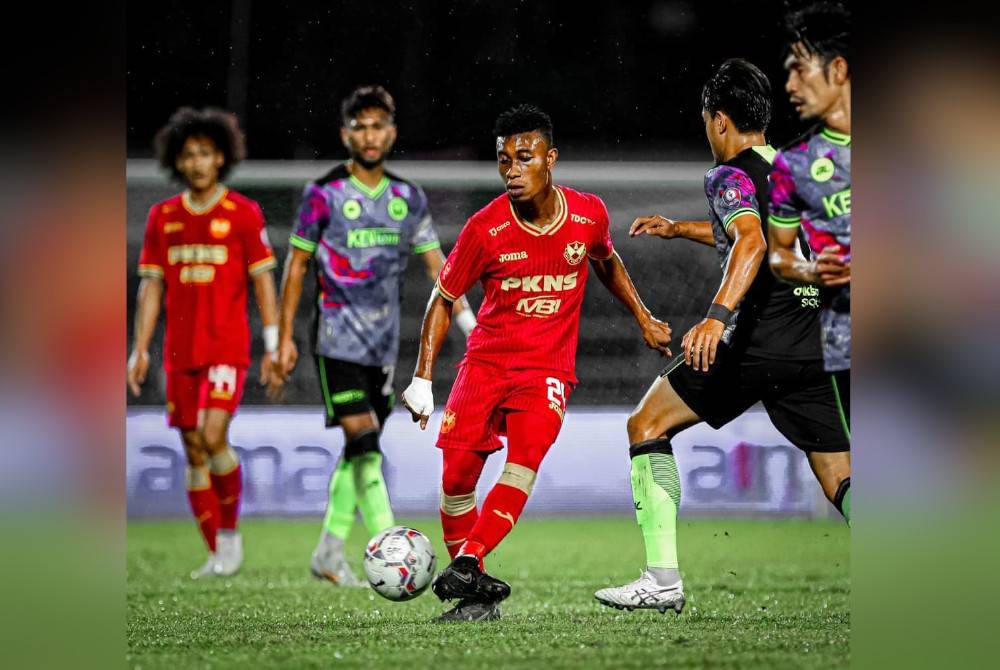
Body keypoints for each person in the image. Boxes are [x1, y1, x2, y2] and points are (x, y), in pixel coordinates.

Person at [593, 58, 851, 615]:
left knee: (646, 423)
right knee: (839, 477)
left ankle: (662, 579)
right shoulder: (789, 166)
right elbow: (767, 234)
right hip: (816, 345)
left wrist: (715, 316)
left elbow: (751, 243)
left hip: (759, 341)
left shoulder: (726, 173)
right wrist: (679, 228)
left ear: (718, 121)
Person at [401, 104, 673, 622]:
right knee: (457, 478)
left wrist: (642, 316)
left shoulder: (588, 214)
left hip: (547, 370)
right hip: (484, 364)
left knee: (523, 461)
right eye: (503, 160)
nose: (511, 170)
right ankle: (477, 597)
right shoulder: (485, 230)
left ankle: (469, 564)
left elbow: (606, 260)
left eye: (523, 158)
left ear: (550, 159)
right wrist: (421, 378)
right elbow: (442, 299)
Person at [269, 85, 476, 587]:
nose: (369, 134)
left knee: (360, 446)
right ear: (345, 134)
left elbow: (438, 267)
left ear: (392, 132)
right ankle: (394, 551)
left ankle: (327, 551)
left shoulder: (408, 198)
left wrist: (469, 324)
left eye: (378, 124)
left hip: (383, 348)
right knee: (363, 438)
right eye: (359, 125)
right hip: (335, 339)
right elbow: (296, 265)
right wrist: (282, 336)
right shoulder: (323, 194)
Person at [128, 107, 280, 579]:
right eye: (189, 154)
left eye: (206, 154)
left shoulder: (242, 212)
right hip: (180, 352)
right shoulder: (163, 217)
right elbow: (151, 287)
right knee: (193, 448)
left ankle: (230, 538)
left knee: (214, 436)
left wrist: (273, 344)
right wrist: (140, 347)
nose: (197, 163)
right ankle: (215, 552)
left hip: (225, 348)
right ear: (178, 160)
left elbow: (263, 283)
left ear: (221, 158)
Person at [767, 2, 851, 423]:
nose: (789, 85)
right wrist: (811, 272)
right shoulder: (793, 164)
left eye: (800, 69)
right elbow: (779, 254)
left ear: (838, 70)